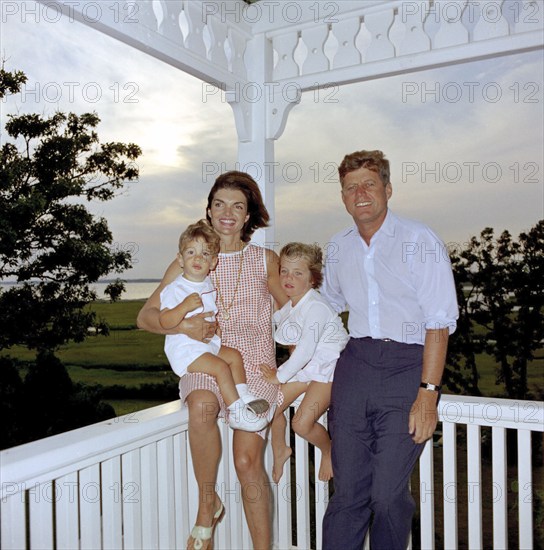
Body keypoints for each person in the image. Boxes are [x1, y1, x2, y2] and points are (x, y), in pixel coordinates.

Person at [137, 171, 287, 550]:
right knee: (201, 406)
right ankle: (207, 504)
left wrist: (303, 368)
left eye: (238, 206)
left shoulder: (266, 260)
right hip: (207, 355)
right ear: (208, 209)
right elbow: (146, 317)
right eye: (219, 203)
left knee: (247, 462)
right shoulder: (192, 258)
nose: (227, 213)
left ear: (249, 215)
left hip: (254, 363)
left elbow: (296, 315)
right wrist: (184, 327)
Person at [321, 150, 459, 550]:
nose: (360, 193)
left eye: (369, 183)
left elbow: (439, 321)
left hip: (406, 370)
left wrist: (428, 395)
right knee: (347, 493)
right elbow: (327, 307)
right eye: (351, 187)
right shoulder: (338, 246)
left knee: (386, 495)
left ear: (387, 188)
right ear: (343, 197)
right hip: (354, 368)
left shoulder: (419, 240)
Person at [160, 219, 270, 432]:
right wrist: (183, 307)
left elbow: (208, 313)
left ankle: (243, 395)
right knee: (220, 367)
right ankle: (237, 413)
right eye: (191, 253)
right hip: (186, 351)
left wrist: (215, 326)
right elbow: (165, 321)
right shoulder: (176, 289)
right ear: (180, 259)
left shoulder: (206, 283)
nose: (197, 258)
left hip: (205, 345)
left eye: (204, 254)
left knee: (234, 356)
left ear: (213, 262)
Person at [260, 242, 348, 483]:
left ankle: (328, 449)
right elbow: (282, 330)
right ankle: (281, 449)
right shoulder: (293, 304)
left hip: (327, 371)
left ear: (312, 279)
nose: (289, 278)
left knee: (300, 423)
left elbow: (305, 351)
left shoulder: (316, 307)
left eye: (298, 273)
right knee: (270, 407)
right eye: (284, 271)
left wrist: (278, 376)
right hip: (307, 371)